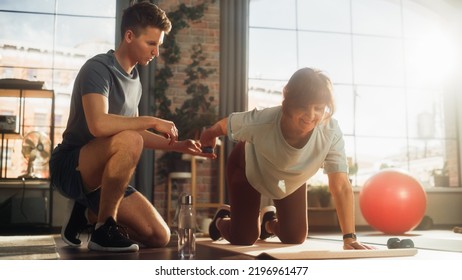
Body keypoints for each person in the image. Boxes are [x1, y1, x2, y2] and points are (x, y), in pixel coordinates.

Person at [49, 2, 212, 253]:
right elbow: (98, 124)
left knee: (160, 235)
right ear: (129, 36)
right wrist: (151, 120)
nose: (156, 52)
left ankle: (88, 214)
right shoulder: (98, 69)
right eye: (151, 44)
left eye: (159, 45)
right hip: (71, 166)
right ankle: (104, 228)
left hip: (105, 178)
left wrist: (180, 146)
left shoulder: (135, 81)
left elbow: (134, 133)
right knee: (130, 139)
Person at [200, 68, 373, 250]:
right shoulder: (263, 120)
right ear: (288, 100)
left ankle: (268, 223)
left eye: (319, 108)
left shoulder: (330, 132)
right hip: (248, 169)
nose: (311, 115)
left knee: (294, 236)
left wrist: (349, 238)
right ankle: (222, 219)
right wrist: (208, 135)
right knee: (244, 237)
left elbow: (340, 185)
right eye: (303, 107)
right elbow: (224, 125)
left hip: (287, 181)